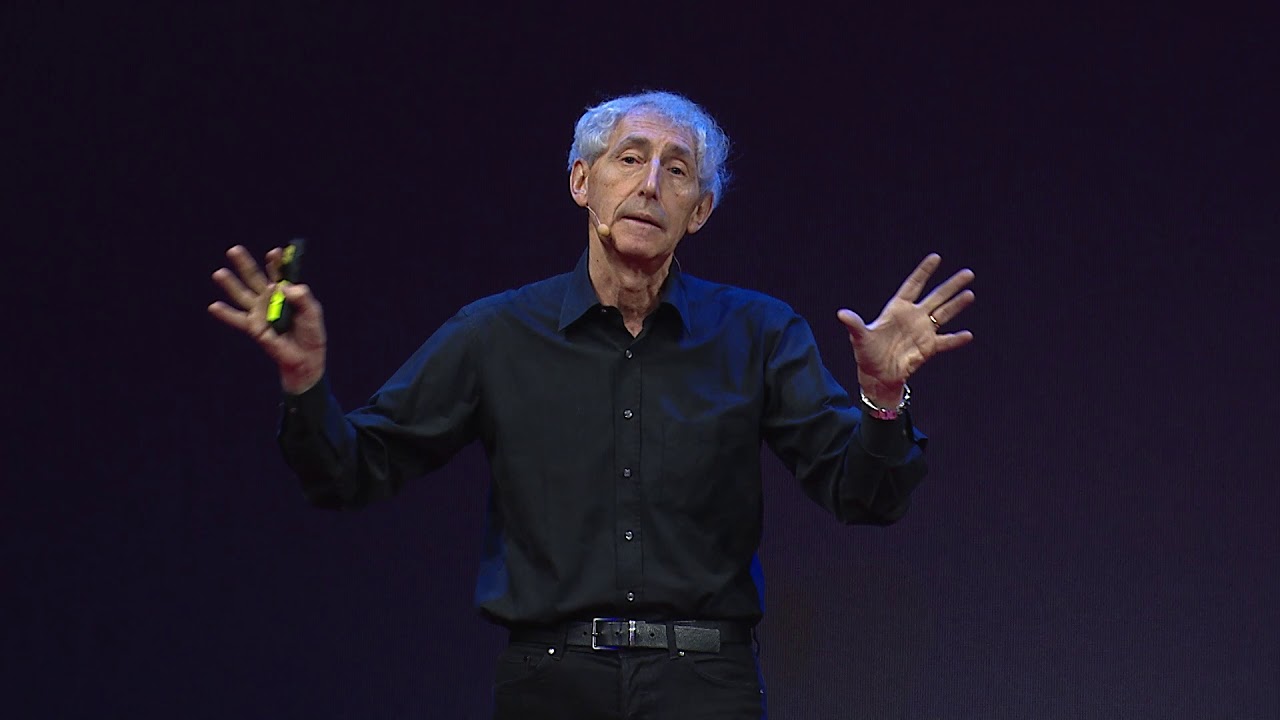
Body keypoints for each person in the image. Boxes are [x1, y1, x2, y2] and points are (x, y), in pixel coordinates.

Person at [209, 90, 975, 720]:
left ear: (700, 211)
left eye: (678, 170)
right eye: (630, 159)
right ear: (583, 181)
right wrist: (306, 385)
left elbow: (863, 495)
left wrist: (881, 400)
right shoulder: (496, 334)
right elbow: (352, 471)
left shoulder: (759, 332)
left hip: (706, 687)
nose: (651, 184)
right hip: (550, 684)